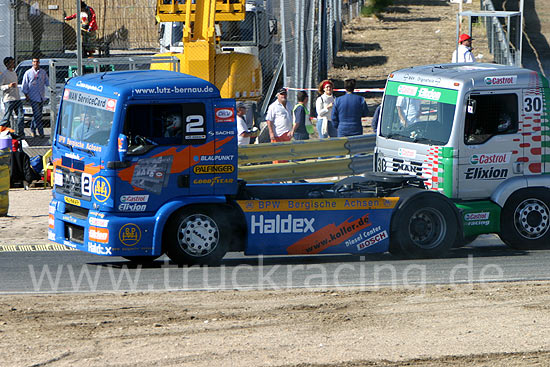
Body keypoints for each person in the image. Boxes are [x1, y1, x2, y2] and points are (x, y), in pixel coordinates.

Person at [21, 57, 49, 138]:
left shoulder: (43, 72)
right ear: (32, 63)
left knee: (37, 115)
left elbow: (47, 82)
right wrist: (26, 95)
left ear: (39, 63)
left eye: (37, 62)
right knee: (38, 115)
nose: (35, 63)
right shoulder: (28, 73)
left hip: (41, 97)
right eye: (34, 62)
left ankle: (32, 129)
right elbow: (24, 85)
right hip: (33, 97)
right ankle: (41, 132)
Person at [0, 57, 25, 137]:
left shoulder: (14, 73)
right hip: (9, 99)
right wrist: (8, 86)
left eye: (13, 62)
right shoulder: (4, 74)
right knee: (7, 117)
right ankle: (1, 130)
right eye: (11, 62)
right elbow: (0, 86)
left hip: (17, 98)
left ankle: (19, 133)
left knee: (20, 116)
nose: (13, 64)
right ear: (7, 64)